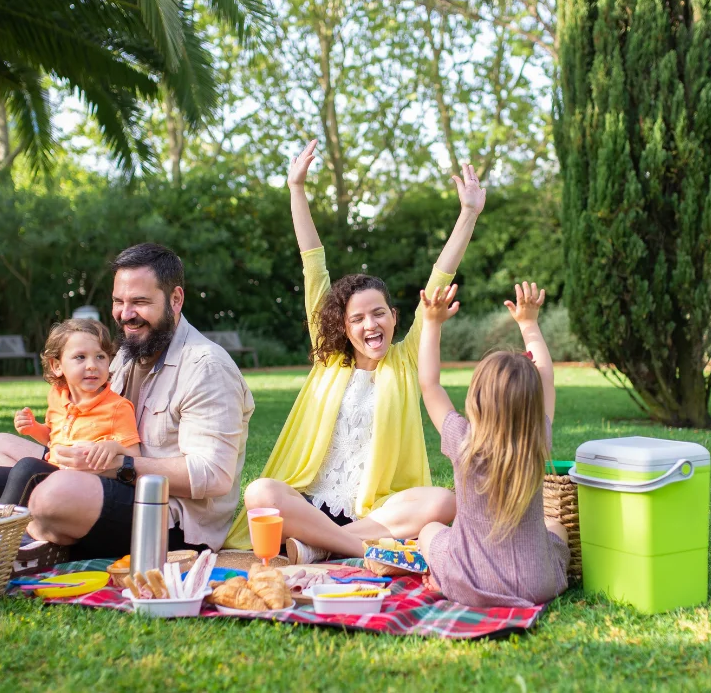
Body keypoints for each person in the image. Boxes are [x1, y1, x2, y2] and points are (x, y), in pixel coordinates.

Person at [224, 139, 485, 563]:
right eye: (358, 319)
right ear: (343, 328)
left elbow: (440, 278)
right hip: (311, 503)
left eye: (378, 314)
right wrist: (296, 189)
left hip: (376, 512)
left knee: (443, 502)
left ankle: (315, 547)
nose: (370, 325)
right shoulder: (329, 358)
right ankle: (359, 550)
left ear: (395, 317)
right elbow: (313, 263)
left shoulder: (405, 360)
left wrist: (468, 213)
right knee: (261, 492)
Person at [0, 243, 255, 567]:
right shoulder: (126, 353)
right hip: (100, 479)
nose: (126, 314)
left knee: (52, 495)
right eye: (118, 301)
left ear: (175, 299)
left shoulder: (206, 366)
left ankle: (27, 537)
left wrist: (120, 466)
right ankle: (34, 532)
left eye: (140, 302)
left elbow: (214, 476)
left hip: (170, 517)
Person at [417, 281, 570, 607]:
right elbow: (546, 376)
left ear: (477, 398)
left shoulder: (463, 441)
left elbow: (429, 385)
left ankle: (439, 578)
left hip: (468, 582)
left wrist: (432, 324)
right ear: (533, 403)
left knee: (430, 530)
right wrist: (528, 324)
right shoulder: (537, 437)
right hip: (535, 584)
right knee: (555, 525)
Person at [0, 318, 141, 511]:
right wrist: (33, 429)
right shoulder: (57, 395)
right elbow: (52, 439)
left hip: (83, 486)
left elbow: (134, 454)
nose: (92, 365)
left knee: (27, 469)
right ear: (57, 366)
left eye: (100, 357)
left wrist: (112, 447)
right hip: (54, 472)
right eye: (80, 357)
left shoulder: (117, 407)